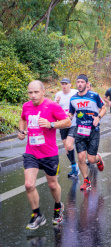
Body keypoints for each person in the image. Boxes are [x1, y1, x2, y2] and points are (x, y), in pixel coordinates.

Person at [18, 80, 72, 229]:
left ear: (43, 92)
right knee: (29, 184)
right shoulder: (26, 106)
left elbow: (67, 121)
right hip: (31, 152)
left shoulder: (52, 106)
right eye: (30, 92)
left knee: (52, 185)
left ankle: (57, 208)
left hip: (49, 153)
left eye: (36, 92)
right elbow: (23, 119)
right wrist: (21, 132)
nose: (33, 95)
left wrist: (51, 124)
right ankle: (37, 215)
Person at [69, 74, 106, 191]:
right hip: (79, 130)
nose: (79, 84)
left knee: (91, 159)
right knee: (80, 157)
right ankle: (86, 181)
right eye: (78, 82)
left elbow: (104, 108)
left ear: (86, 84)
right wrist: (66, 118)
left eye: (82, 82)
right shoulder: (73, 99)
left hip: (93, 130)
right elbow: (71, 114)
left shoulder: (94, 96)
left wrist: (98, 117)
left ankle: (98, 158)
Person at [54, 78, 79, 178]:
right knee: (66, 147)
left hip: (73, 123)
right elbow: (54, 108)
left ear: (70, 84)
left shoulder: (75, 93)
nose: (64, 86)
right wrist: (56, 102)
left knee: (69, 145)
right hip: (62, 124)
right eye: (62, 84)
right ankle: (74, 166)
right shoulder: (58, 94)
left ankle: (75, 168)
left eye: (66, 84)